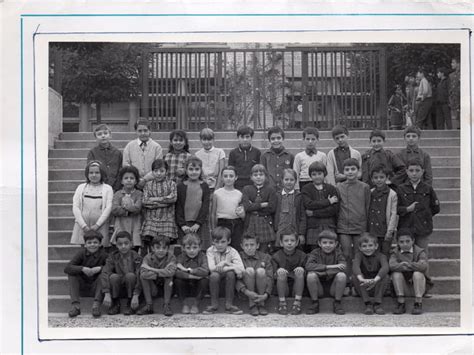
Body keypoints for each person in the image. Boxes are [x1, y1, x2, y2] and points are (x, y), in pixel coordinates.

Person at [336, 158, 371, 293]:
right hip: (344, 225)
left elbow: (367, 207)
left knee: (358, 255)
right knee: (346, 254)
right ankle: (346, 282)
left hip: (360, 225)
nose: (350, 172)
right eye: (347, 170)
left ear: (358, 171)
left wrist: (366, 226)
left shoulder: (364, 187)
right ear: (343, 172)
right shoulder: (339, 187)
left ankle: (357, 283)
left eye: (353, 169)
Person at [396, 158, 440, 251]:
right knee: (406, 254)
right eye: (411, 170)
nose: (414, 173)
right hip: (406, 227)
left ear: (422, 171)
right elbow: (396, 209)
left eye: (417, 170)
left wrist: (424, 215)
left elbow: (435, 208)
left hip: (423, 227)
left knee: (422, 253)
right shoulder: (401, 188)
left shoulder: (428, 188)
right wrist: (407, 209)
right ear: (407, 171)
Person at [64, 230, 108, 318]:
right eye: (89, 243)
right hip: (82, 286)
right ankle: (75, 306)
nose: (92, 245)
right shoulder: (81, 253)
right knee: (72, 275)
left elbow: (112, 268)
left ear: (100, 244)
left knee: (103, 275)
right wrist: (82, 268)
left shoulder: (104, 254)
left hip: (97, 288)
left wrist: (100, 268)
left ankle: (96, 305)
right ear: (85, 244)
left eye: (95, 242)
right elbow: (67, 268)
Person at [70, 161, 113, 247]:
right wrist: (83, 226)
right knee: (85, 248)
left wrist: (97, 225)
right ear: (87, 174)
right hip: (83, 224)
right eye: (91, 172)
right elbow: (76, 207)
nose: (94, 175)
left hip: (100, 224)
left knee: (100, 248)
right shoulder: (81, 187)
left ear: (102, 174)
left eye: (97, 172)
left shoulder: (107, 188)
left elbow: (108, 207)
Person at [204, 226, 245, 315]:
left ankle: (229, 305)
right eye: (217, 242)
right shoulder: (210, 251)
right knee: (214, 275)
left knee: (230, 274)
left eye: (223, 242)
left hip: (230, 282)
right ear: (212, 241)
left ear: (229, 241)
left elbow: (241, 268)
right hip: (213, 282)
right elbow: (212, 268)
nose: (220, 245)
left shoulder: (233, 251)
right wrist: (232, 266)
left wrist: (225, 263)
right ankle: (214, 305)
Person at [305, 230, 347, 315]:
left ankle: (337, 302)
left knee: (341, 275)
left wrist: (321, 272)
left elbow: (343, 266)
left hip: (333, 287)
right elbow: (308, 266)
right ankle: (315, 303)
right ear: (319, 243)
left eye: (331, 243)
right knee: (311, 276)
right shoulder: (315, 252)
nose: (328, 245)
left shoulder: (338, 253)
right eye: (324, 242)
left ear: (336, 244)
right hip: (318, 286)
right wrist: (329, 267)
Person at [140, 159, 177, 256]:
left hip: (167, 219)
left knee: (165, 244)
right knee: (151, 244)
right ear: (152, 172)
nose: (158, 173)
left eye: (161, 171)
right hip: (151, 219)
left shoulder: (171, 184)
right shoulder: (148, 185)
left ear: (166, 172)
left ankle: (166, 263)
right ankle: (150, 261)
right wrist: (163, 202)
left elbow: (172, 198)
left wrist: (154, 200)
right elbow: (145, 201)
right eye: (155, 171)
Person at [100, 231, 142, 316]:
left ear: (131, 244)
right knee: (113, 276)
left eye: (126, 243)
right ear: (116, 245)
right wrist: (107, 292)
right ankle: (116, 303)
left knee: (131, 276)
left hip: (132, 288)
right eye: (120, 244)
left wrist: (136, 294)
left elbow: (140, 275)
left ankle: (130, 303)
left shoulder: (137, 257)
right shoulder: (113, 256)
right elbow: (105, 272)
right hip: (118, 288)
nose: (123, 246)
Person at [389, 229, 429, 315]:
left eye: (408, 241)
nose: (405, 244)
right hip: (403, 287)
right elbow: (392, 265)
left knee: (417, 273)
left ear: (413, 241)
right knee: (396, 274)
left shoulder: (420, 251)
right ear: (397, 242)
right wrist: (413, 266)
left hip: (418, 287)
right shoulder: (395, 252)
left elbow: (423, 266)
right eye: (402, 242)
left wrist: (407, 265)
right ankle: (401, 303)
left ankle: (418, 303)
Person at [302, 162, 339, 252]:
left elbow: (333, 210)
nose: (317, 176)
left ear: (324, 174)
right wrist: (328, 201)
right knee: (314, 251)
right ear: (310, 175)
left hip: (329, 225)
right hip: (313, 226)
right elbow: (309, 204)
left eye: (319, 174)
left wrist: (314, 213)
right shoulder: (306, 188)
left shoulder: (331, 188)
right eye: (314, 174)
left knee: (330, 250)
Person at [136, 235, 177, 316]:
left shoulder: (171, 257)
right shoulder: (147, 257)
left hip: (169, 287)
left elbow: (170, 272)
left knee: (169, 277)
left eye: (164, 248)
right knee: (142, 277)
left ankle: (166, 305)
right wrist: (161, 273)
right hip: (153, 287)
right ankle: (149, 305)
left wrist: (151, 269)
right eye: (158, 247)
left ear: (168, 249)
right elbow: (143, 273)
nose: (161, 250)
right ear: (152, 248)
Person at [175, 156, 211, 248]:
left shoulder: (204, 186)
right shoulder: (180, 186)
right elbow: (178, 207)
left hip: (200, 224)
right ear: (186, 170)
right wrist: (182, 225)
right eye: (191, 169)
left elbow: (205, 206)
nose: (194, 172)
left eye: (197, 169)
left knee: (200, 248)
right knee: (186, 247)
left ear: (200, 170)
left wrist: (198, 223)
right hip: (185, 225)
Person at [242, 164, 278, 253]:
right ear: (251, 177)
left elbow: (271, 208)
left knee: (265, 247)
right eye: (255, 175)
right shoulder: (247, 189)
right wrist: (262, 205)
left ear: (265, 176)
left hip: (265, 221)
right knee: (251, 243)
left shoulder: (271, 189)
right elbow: (246, 206)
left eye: (261, 175)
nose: (258, 177)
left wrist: (253, 206)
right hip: (251, 221)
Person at [236, 234, 274, 316]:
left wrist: (266, 294)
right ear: (242, 246)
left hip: (262, 291)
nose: (249, 248)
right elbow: (236, 277)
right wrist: (246, 292)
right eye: (246, 245)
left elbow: (270, 277)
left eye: (252, 245)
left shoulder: (265, 257)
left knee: (261, 271)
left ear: (257, 245)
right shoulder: (238, 257)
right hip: (246, 291)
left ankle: (261, 304)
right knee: (249, 270)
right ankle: (252, 304)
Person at [352, 233, 389, 315]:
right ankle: (368, 304)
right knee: (355, 277)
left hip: (377, 284)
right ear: (360, 248)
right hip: (363, 285)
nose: (367, 248)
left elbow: (385, 267)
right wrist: (361, 279)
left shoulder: (381, 256)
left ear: (376, 246)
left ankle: (377, 304)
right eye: (364, 246)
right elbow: (355, 267)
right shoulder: (358, 255)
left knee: (385, 276)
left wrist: (375, 280)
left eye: (370, 245)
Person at [271, 229, 307, 315]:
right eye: (286, 241)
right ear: (281, 243)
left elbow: (308, 272)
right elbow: (272, 275)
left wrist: (303, 270)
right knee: (281, 273)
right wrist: (278, 271)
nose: (289, 243)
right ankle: (282, 303)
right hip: (283, 288)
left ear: (297, 242)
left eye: (292, 240)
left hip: (298, 287)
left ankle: (297, 302)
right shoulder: (276, 256)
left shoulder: (302, 255)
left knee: (300, 271)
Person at [211, 166, 246, 251]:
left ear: (236, 177)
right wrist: (213, 228)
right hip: (222, 223)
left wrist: (242, 215)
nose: (228, 179)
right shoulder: (217, 193)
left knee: (236, 247)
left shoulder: (239, 194)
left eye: (231, 176)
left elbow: (242, 212)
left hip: (236, 223)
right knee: (222, 247)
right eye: (225, 176)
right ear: (222, 178)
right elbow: (213, 212)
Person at [174, 233, 210, 314]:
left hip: (198, 286)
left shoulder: (203, 256)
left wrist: (188, 270)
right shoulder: (181, 257)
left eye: (195, 247)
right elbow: (176, 272)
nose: (192, 251)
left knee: (205, 281)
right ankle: (184, 304)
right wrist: (192, 276)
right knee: (177, 281)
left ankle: (196, 304)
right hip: (185, 285)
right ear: (183, 248)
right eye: (188, 248)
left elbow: (205, 271)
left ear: (200, 247)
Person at [367, 165, 398, 257]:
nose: (379, 180)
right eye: (376, 178)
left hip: (384, 229)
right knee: (373, 253)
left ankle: (385, 271)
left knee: (384, 253)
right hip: (372, 229)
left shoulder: (392, 194)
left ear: (387, 178)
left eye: (381, 177)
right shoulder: (370, 192)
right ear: (372, 179)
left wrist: (390, 230)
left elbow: (393, 213)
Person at [110, 166, 143, 251]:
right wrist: (128, 211)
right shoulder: (118, 194)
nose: (129, 180)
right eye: (126, 178)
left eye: (132, 178)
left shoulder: (139, 194)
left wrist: (124, 206)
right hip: (121, 225)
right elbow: (114, 209)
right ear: (121, 181)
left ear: (136, 181)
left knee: (134, 249)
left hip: (134, 225)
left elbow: (137, 208)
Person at [122, 119, 163, 187]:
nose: (143, 133)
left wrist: (145, 179)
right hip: (134, 183)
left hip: (152, 182)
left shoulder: (156, 147)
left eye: (145, 130)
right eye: (140, 131)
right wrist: (136, 178)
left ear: (150, 131)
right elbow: (126, 164)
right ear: (136, 132)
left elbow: (158, 166)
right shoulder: (129, 146)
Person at [274, 169, 306, 249]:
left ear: (295, 181)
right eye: (286, 179)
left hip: (294, 229)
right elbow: (273, 214)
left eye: (292, 180)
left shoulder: (299, 196)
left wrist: (301, 233)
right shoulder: (277, 196)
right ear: (282, 180)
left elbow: (302, 216)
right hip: (280, 230)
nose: (289, 182)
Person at [87, 124, 123, 191]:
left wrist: (116, 186)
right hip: (98, 185)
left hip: (115, 186)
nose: (103, 136)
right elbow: (90, 170)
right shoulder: (92, 152)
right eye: (99, 134)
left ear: (110, 135)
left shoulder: (117, 152)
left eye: (105, 133)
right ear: (96, 138)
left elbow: (120, 170)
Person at [260, 126, 294, 192]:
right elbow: (263, 173)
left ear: (283, 139)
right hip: (269, 190)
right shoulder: (265, 156)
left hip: (285, 190)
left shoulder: (290, 156)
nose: (276, 141)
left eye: (278, 138)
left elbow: (293, 173)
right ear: (269, 140)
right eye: (273, 139)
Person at [293, 127, 327, 191]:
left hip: (318, 182)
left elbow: (325, 173)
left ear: (317, 140)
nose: (310, 142)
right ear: (303, 139)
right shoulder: (299, 156)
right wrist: (297, 188)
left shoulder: (322, 155)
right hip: (303, 182)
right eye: (307, 139)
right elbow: (296, 172)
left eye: (313, 139)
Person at [228, 126, 261, 191]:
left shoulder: (257, 152)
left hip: (252, 184)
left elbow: (259, 170)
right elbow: (231, 170)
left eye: (247, 137)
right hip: (237, 185)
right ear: (238, 138)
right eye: (242, 137)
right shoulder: (233, 153)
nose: (245, 140)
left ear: (251, 138)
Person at [195, 127, 226, 192]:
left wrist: (217, 187)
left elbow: (221, 171)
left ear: (213, 140)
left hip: (217, 185)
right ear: (200, 140)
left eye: (209, 139)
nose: (207, 142)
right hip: (202, 185)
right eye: (204, 139)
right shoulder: (197, 154)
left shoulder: (220, 152)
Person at [448, 57, 460, 129]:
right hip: (454, 99)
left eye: (453, 62)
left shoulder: (464, 73)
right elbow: (451, 88)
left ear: (458, 64)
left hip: (460, 98)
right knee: (455, 118)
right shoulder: (451, 75)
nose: (451, 64)